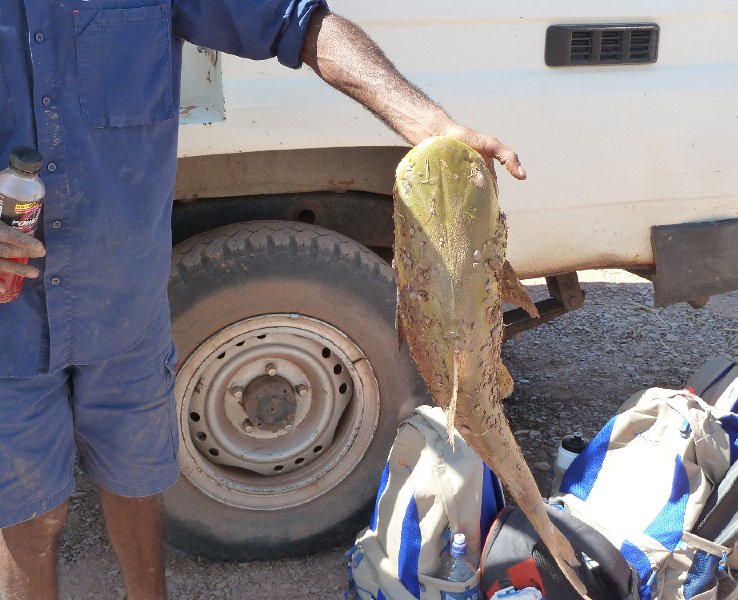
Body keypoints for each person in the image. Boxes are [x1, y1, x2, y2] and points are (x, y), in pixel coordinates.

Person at [0, 2, 524, 599]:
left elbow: (298, 22)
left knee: (139, 479)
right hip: (8, 325)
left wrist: (428, 122)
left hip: (123, 304)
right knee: (28, 512)